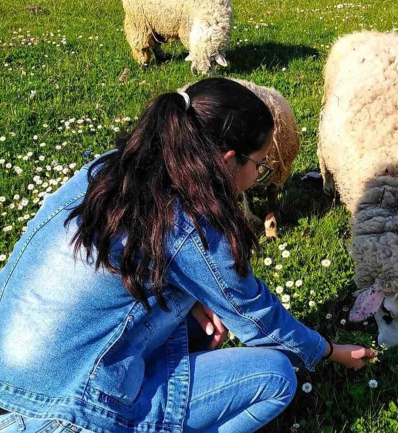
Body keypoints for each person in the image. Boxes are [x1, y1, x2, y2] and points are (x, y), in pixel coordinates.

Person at [0, 78, 377, 433]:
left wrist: (190, 296)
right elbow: (258, 318)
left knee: (195, 320)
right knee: (277, 376)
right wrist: (329, 351)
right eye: (260, 166)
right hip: (62, 413)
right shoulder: (192, 222)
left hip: (10, 377)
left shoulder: (106, 169)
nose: (260, 175)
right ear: (230, 160)